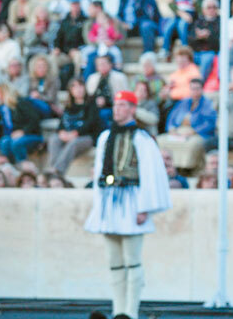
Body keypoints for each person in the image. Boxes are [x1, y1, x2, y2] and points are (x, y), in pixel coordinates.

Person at [84, 90, 171, 319]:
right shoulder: (105, 137)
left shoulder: (142, 138)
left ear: (133, 109)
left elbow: (150, 174)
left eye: (123, 105)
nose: (118, 109)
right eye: (116, 105)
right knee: (114, 261)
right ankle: (118, 310)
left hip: (131, 200)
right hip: (110, 201)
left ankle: (131, 312)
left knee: (132, 261)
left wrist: (145, 206)